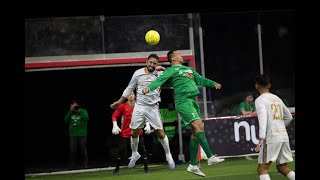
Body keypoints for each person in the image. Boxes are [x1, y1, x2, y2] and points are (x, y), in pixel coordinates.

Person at [142, 50, 225, 177]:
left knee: (195, 134)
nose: (181, 56)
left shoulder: (189, 70)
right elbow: (160, 81)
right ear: (174, 58)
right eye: (179, 54)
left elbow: (201, 80)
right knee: (199, 126)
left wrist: (213, 84)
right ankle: (210, 156)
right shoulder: (170, 70)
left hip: (193, 101)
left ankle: (192, 165)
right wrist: (149, 88)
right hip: (183, 101)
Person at [110, 53, 175, 170]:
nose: (152, 65)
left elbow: (172, 75)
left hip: (153, 107)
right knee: (134, 132)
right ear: (146, 62)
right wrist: (119, 102)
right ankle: (135, 153)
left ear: (157, 64)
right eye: (150, 62)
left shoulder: (160, 74)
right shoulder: (138, 73)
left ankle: (168, 155)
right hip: (139, 107)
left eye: (155, 63)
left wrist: (164, 69)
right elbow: (129, 88)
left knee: (160, 133)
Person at [254, 74, 295, 180]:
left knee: (262, 168)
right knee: (282, 167)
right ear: (269, 85)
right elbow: (289, 117)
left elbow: (263, 119)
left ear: (256, 85)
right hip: (283, 136)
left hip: (271, 137)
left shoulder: (260, 100)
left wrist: (262, 137)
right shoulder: (277, 98)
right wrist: (280, 127)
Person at [111, 92, 150, 174]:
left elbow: (146, 115)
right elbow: (114, 115)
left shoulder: (139, 106)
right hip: (125, 133)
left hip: (137, 132)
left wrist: (147, 124)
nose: (131, 95)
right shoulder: (123, 106)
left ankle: (146, 168)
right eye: (129, 94)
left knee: (142, 150)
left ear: (135, 95)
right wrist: (115, 125)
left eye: (132, 94)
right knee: (121, 150)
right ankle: (116, 169)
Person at [64, 100, 89, 169]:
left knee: (83, 150)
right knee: (73, 151)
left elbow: (86, 118)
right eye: (72, 106)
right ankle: (72, 165)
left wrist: (78, 110)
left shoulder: (83, 111)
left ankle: (85, 164)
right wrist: (70, 111)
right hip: (73, 134)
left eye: (75, 105)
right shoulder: (70, 113)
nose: (74, 107)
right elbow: (65, 120)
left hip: (82, 134)